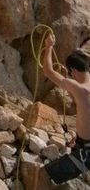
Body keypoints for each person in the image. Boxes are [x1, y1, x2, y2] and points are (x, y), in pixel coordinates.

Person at [36, 33, 90, 188]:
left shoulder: (80, 89)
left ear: (72, 70)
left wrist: (49, 47)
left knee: (44, 173)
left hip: (85, 153)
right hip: (83, 146)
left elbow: (48, 71)